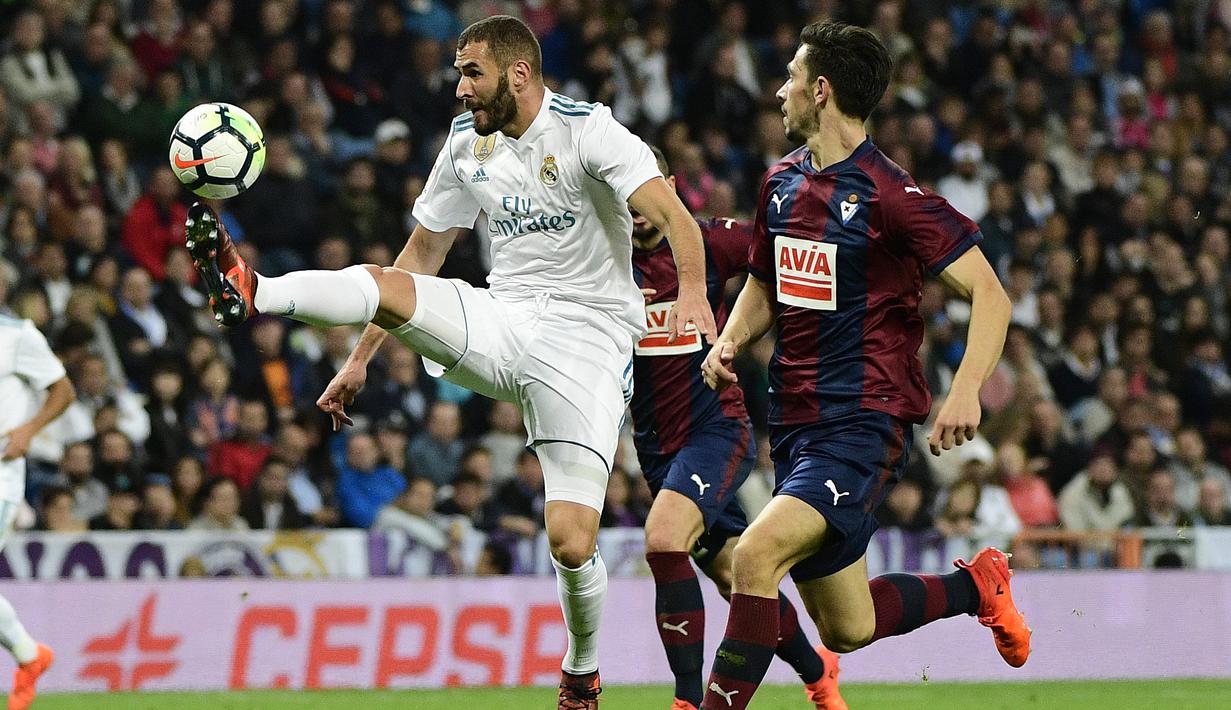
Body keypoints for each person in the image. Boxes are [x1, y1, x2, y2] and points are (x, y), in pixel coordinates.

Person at [184, 15, 714, 708]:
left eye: (472, 74)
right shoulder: (467, 142)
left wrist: (697, 295)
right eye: (458, 74)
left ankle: (581, 668)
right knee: (386, 279)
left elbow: (673, 215)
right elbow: (423, 254)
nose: (460, 89)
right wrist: (361, 358)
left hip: (588, 340)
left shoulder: (591, 130)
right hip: (503, 317)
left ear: (518, 74)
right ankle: (256, 290)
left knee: (571, 540)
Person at [696, 23, 1026, 710]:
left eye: (789, 76)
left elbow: (990, 294)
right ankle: (978, 586)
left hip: (860, 422)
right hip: (793, 425)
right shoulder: (779, 183)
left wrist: (965, 391)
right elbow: (764, 282)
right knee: (847, 628)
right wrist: (729, 340)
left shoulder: (890, 196)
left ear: (820, 91)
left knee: (752, 558)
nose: (778, 89)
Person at [630, 147, 842, 710]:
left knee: (662, 539)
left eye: (646, 189)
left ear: (669, 187)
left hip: (715, 429)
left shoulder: (707, 242)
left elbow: (778, 259)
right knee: (734, 577)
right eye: (626, 192)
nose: (636, 206)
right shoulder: (600, 260)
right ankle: (818, 672)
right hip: (656, 447)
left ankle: (684, 701)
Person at [0, 313, 74, 709]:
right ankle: (31, 656)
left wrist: (27, 430)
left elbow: (63, 391)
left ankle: (31, 656)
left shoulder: (17, 335)